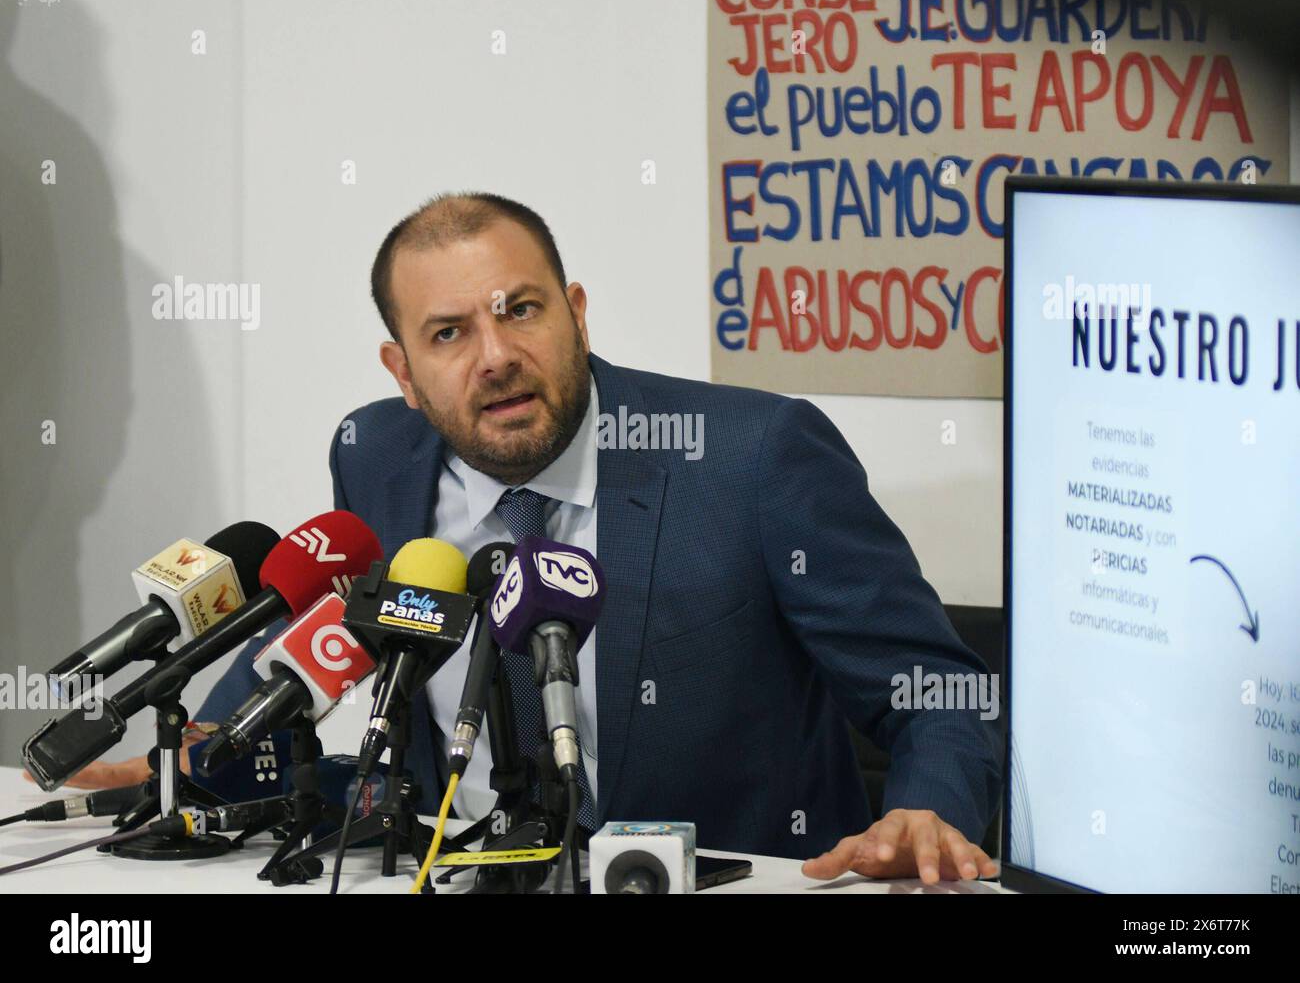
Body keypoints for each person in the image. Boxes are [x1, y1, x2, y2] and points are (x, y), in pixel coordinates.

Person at [64, 192, 1002, 884]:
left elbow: (943, 697)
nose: (497, 355)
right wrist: (207, 756)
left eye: (521, 309)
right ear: (404, 370)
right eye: (448, 333)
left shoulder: (755, 458)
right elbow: (323, 634)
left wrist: (928, 815)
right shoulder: (377, 460)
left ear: (577, 312)